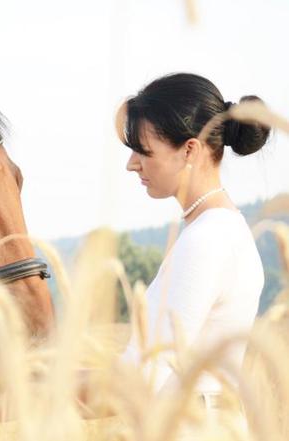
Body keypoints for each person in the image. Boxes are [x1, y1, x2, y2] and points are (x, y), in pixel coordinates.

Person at [115, 73, 270, 427]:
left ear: (189, 150)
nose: (131, 163)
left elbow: (136, 377)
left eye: (143, 150)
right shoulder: (224, 228)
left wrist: (23, 394)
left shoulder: (207, 240)